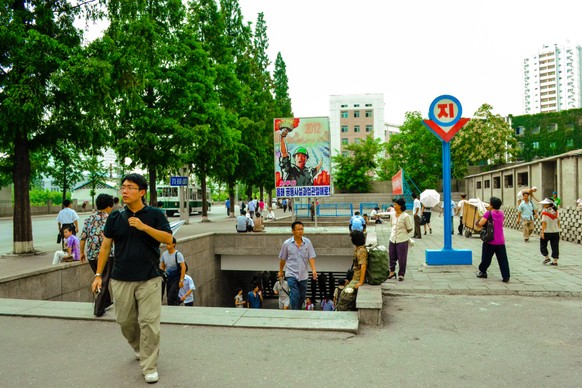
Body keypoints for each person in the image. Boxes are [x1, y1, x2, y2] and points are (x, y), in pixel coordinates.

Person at [91, 173, 172, 384]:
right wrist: (98, 275)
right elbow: (106, 246)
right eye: (123, 187)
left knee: (149, 323)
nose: (124, 191)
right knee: (125, 321)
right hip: (121, 278)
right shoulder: (115, 217)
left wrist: (144, 227)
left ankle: (149, 365)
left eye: (130, 187)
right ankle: (138, 346)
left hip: (149, 278)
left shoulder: (155, 214)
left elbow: (168, 239)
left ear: (142, 192)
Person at [79, 193, 115, 317]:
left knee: (101, 277)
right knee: (104, 280)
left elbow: (83, 237)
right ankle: (98, 308)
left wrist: (81, 252)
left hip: (91, 255)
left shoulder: (89, 219)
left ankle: (107, 302)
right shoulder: (110, 219)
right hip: (106, 255)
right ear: (109, 206)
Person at [278, 221, 318, 310]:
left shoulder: (307, 242)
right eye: (298, 229)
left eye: (302, 229)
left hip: (303, 275)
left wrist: (314, 270)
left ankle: (298, 310)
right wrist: (281, 271)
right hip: (291, 274)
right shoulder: (286, 244)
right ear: (293, 231)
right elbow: (283, 259)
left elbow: (311, 257)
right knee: (295, 294)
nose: (301, 231)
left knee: (302, 296)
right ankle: (295, 312)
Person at [476, 197, 510, 283]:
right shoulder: (502, 213)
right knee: (503, 260)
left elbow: (481, 223)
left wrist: (480, 218)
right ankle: (506, 276)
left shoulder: (488, 213)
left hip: (490, 240)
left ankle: (483, 271)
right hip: (501, 241)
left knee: (486, 258)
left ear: (491, 205)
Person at [278, 122, 323, 187]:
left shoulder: (309, 171)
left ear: (306, 159)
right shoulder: (289, 169)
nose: (300, 158)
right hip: (290, 196)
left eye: (303, 156)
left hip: (307, 196)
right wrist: (282, 138)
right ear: (294, 158)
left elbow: (318, 167)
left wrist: (321, 158)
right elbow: (284, 153)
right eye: (298, 156)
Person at [336, 230, 368, 311]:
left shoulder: (361, 251)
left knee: (345, 296)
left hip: (358, 278)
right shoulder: (358, 249)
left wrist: (360, 282)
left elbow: (363, 266)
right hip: (355, 277)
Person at [388, 198, 413, 282]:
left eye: (396, 204)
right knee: (391, 256)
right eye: (394, 204)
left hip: (402, 239)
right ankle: (391, 271)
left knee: (402, 258)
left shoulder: (406, 216)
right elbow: (392, 225)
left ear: (400, 205)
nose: (394, 206)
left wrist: (403, 233)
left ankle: (401, 274)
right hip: (392, 238)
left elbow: (409, 228)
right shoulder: (392, 215)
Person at [159, 237, 186, 306]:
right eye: (166, 244)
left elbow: (183, 267)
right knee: (169, 295)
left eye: (169, 244)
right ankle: (176, 304)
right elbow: (162, 266)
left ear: (174, 244)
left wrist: (181, 280)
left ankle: (174, 308)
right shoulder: (164, 254)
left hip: (176, 279)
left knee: (171, 296)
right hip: (168, 278)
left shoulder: (178, 254)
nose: (167, 245)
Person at [539, 198, 560, 266]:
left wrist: (542, 232)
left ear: (548, 204)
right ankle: (555, 261)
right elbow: (558, 221)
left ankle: (547, 257)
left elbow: (544, 222)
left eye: (545, 203)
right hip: (555, 231)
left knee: (543, 246)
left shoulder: (544, 211)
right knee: (555, 246)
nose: (544, 205)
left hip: (547, 232)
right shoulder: (556, 211)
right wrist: (557, 228)